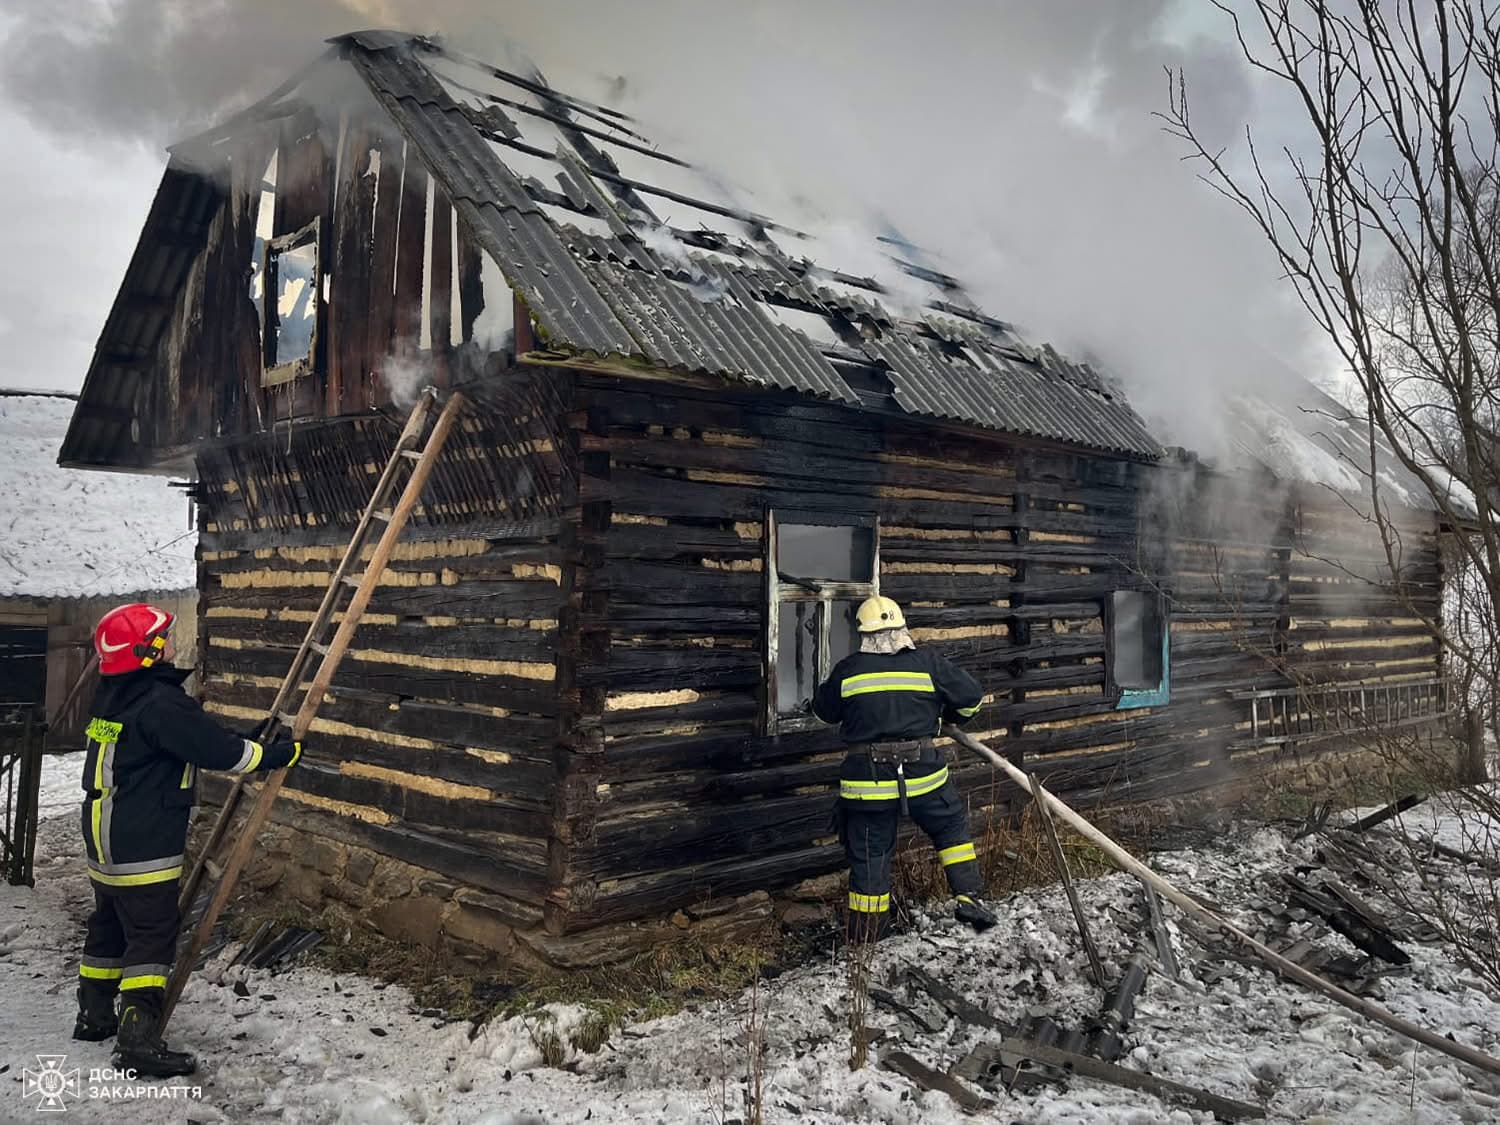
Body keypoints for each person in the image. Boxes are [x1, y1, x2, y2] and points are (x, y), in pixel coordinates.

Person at [73, 603, 304, 1078]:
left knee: (109, 925)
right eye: (163, 639)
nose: (172, 644)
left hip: (105, 840)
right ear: (146, 652)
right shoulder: (159, 702)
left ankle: (93, 1015)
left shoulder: (116, 696)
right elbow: (213, 750)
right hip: (142, 841)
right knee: (151, 934)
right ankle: (137, 1039)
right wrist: (274, 755)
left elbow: (180, 740)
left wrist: (244, 736)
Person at [813, 595, 998, 942]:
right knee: (950, 828)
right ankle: (968, 897)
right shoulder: (928, 663)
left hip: (868, 785)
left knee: (871, 854)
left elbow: (823, 713)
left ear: (863, 634)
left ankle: (869, 938)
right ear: (902, 629)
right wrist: (947, 717)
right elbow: (972, 698)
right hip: (924, 776)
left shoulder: (848, 670)